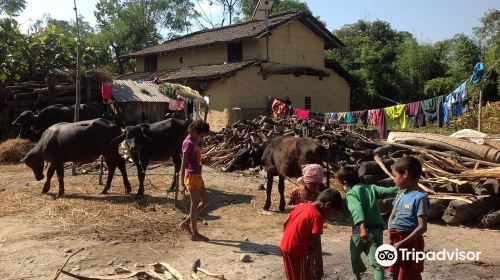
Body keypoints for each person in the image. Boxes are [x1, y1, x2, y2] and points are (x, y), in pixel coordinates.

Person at [336, 166, 399, 280]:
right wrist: (402, 188)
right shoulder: (371, 188)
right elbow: (389, 191)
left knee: (355, 256)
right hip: (377, 229)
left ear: (344, 182)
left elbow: (357, 209)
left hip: (359, 229)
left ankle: (358, 276)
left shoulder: (351, 194)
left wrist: (362, 227)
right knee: (376, 262)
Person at [280, 188, 343, 280]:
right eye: (334, 213)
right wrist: (319, 268)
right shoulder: (317, 216)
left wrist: (289, 239)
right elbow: (316, 244)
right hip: (296, 251)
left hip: (285, 247)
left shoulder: (302, 206)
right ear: (327, 205)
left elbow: (285, 223)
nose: (333, 217)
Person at [388, 156, 430, 280]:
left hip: (410, 241)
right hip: (395, 239)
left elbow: (422, 227)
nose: (394, 180)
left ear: (405, 174)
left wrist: (402, 243)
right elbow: (392, 216)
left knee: (408, 272)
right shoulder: (400, 194)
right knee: (395, 271)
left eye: (395, 176)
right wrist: (391, 235)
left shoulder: (420, 197)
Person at [179, 120, 211, 241]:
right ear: (193, 132)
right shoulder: (188, 143)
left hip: (197, 175)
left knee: (206, 201)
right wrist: (181, 184)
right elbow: (183, 164)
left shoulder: (194, 141)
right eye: (201, 136)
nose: (202, 139)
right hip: (191, 176)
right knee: (195, 203)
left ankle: (186, 223)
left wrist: (203, 160)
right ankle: (195, 233)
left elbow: (194, 159)